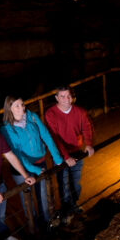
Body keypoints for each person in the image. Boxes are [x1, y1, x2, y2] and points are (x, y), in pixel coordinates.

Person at [1, 96, 74, 228]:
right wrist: (33, 170)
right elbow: (17, 153)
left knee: (43, 194)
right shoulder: (6, 129)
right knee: (27, 197)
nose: (21, 108)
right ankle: (33, 225)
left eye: (22, 104)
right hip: (21, 168)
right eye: (17, 106)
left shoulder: (32, 116)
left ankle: (47, 222)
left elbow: (46, 135)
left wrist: (57, 158)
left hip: (40, 161)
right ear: (9, 109)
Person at [44, 85, 95, 214]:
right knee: (64, 183)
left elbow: (87, 128)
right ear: (56, 98)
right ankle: (67, 208)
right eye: (62, 96)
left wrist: (89, 144)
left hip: (77, 150)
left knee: (76, 182)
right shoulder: (51, 114)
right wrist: (66, 157)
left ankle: (74, 204)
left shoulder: (80, 111)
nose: (66, 99)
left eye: (68, 96)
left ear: (72, 97)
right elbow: (54, 137)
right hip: (60, 155)